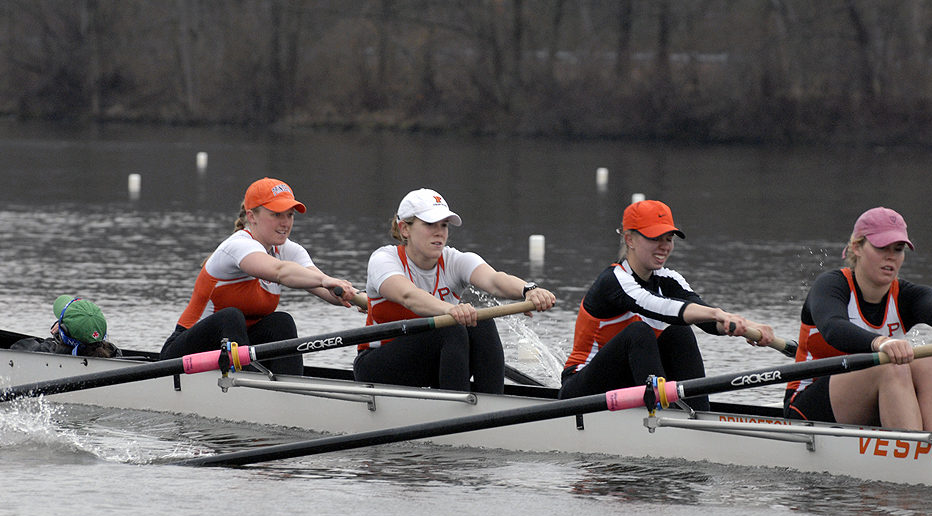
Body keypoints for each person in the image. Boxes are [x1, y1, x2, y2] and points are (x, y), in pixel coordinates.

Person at [784, 206, 932, 432]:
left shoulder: (906, 295)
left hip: (872, 397)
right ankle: (912, 454)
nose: (891, 257)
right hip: (807, 405)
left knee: (930, 362)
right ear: (857, 247)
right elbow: (833, 327)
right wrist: (881, 342)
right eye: (882, 247)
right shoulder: (831, 286)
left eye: (898, 249)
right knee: (890, 366)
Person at [559, 199, 776, 410]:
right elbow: (660, 307)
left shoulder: (669, 278)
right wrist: (718, 313)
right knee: (639, 332)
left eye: (669, 238)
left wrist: (748, 326)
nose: (665, 247)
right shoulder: (613, 280)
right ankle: (664, 416)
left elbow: (708, 320)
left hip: (626, 386)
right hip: (580, 392)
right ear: (630, 239)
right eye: (655, 238)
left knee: (680, 332)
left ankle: (699, 415)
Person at [353, 187, 556, 393]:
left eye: (444, 225)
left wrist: (528, 289)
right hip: (377, 367)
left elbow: (495, 280)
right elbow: (408, 296)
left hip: (432, 362)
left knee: (481, 322)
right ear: (405, 229)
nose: (439, 232)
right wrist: (449, 310)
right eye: (430, 224)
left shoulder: (454, 260)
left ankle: (493, 404)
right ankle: (457, 409)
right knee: (451, 327)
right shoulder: (384, 260)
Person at [160, 177, 358, 375]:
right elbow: (281, 272)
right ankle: (249, 386)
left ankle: (290, 390)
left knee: (282, 322)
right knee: (231, 316)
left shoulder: (287, 250)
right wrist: (324, 280)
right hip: (182, 356)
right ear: (252, 216)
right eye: (276, 214)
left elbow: (331, 292)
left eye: (289, 215)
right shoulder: (238, 245)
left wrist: (368, 302)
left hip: (234, 351)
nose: (285, 223)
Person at [12, 295, 121, 358]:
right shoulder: (114, 353)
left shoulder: (46, 351)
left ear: (64, 331)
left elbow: (15, 349)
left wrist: (56, 338)